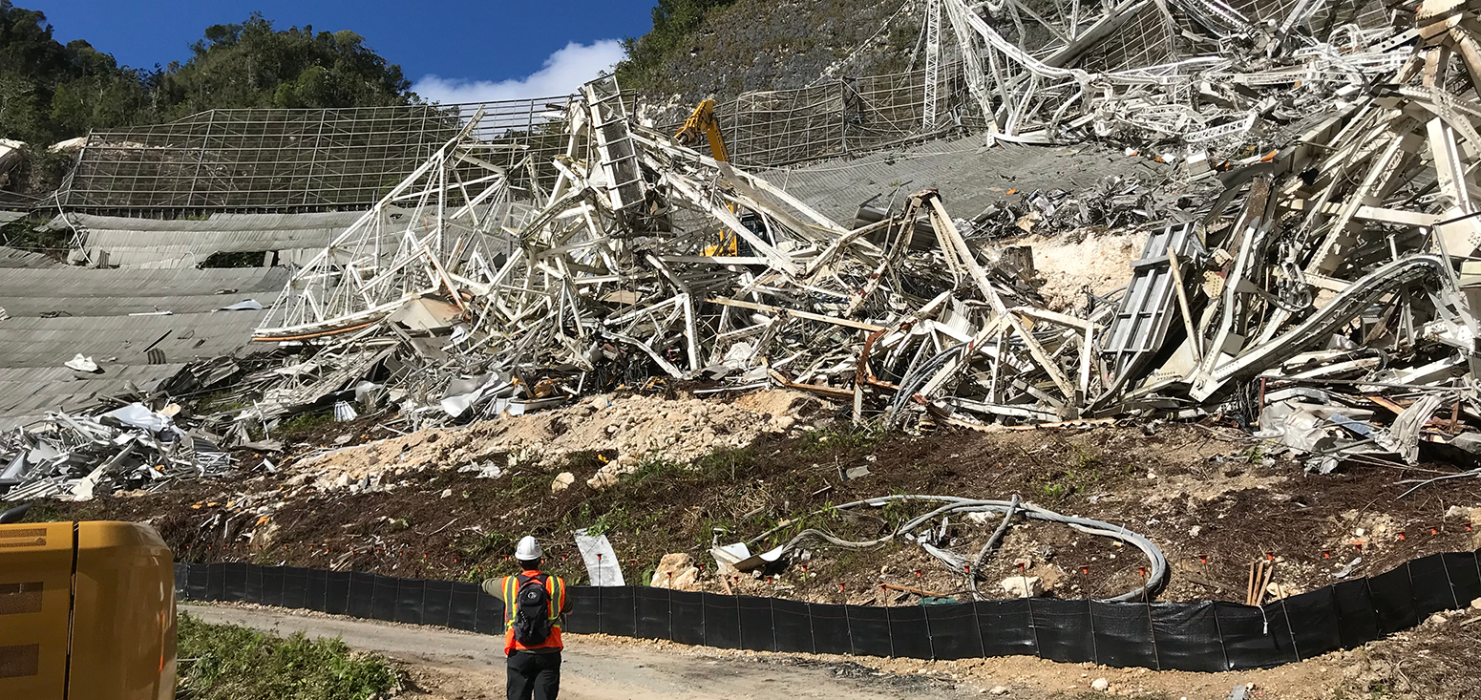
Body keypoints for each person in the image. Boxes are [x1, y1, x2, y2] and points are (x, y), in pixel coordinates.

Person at [483, 536, 571, 700]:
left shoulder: (509, 584)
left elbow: (485, 585)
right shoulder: (556, 584)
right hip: (549, 652)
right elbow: (569, 608)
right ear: (540, 560)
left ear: (518, 561)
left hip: (518, 650)